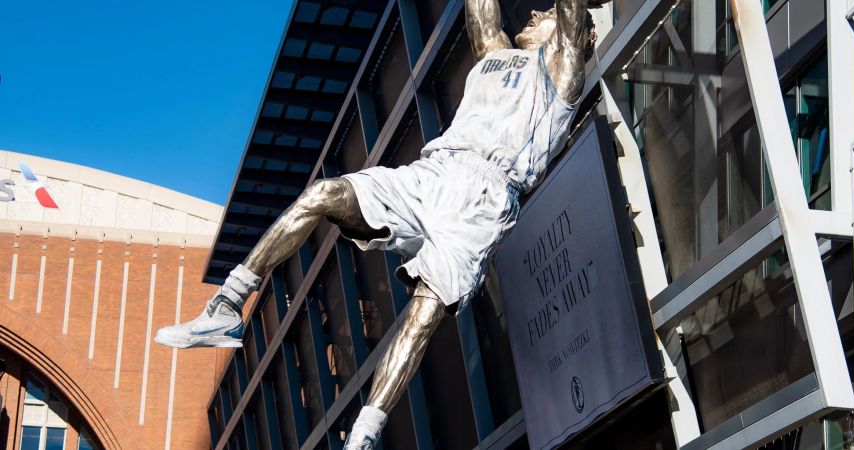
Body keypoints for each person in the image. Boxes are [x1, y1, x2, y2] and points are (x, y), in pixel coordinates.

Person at [155, 0, 601, 447]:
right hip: (434, 173)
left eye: (544, 16)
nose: (533, 16)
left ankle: (364, 436)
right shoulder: (495, 54)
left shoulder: (562, 72)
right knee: (324, 194)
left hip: (485, 197)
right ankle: (229, 306)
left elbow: (570, 15)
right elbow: (482, 9)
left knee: (424, 312)